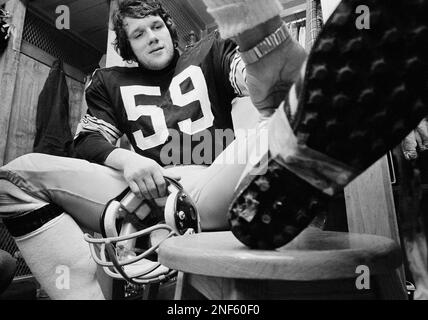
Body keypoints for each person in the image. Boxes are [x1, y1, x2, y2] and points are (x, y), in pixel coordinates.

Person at [0, 0, 427, 299]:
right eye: (137, 34)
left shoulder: (213, 52)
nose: (151, 37)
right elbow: (88, 140)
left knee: (270, 121)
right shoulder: (107, 82)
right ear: (126, 48)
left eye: (156, 27)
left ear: (169, 27)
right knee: (17, 176)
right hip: (144, 198)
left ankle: (304, 121)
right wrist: (127, 158)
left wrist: (267, 58)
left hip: (218, 183)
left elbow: (247, 75)